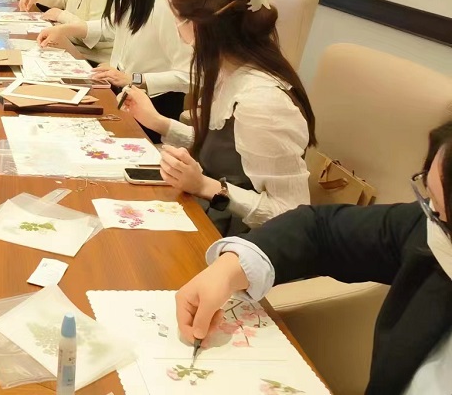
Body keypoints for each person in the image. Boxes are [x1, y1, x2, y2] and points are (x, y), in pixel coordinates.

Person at [176, 121, 452, 395]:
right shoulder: (427, 225)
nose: (430, 215)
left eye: (439, 211)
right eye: (430, 200)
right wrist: (230, 268)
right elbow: (319, 230)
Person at [121, 0, 314, 235]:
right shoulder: (226, 72)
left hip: (243, 242)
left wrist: (206, 186)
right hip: (209, 214)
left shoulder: (261, 103)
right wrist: (159, 123)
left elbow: (291, 215)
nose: (176, 28)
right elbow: (226, 149)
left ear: (198, 26)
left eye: (177, 18)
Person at [36, 0, 190, 139]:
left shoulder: (165, 4)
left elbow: (187, 76)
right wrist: (66, 29)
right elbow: (112, 26)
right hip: (125, 92)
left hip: (155, 104)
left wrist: (134, 78)